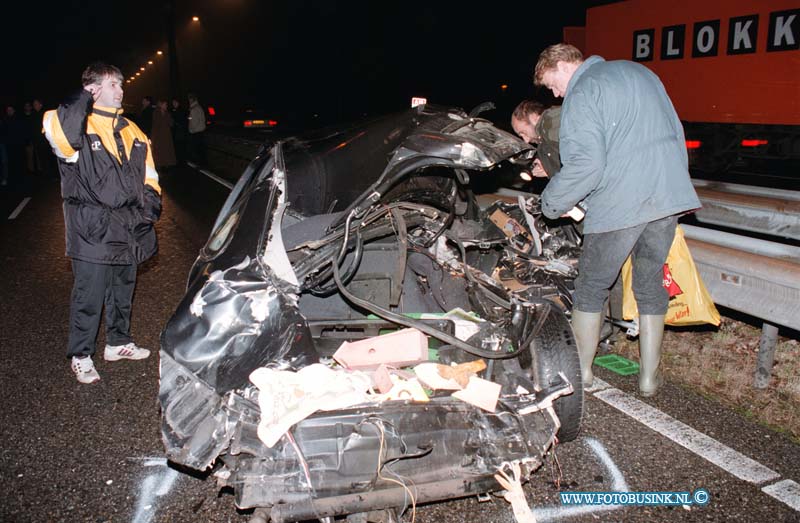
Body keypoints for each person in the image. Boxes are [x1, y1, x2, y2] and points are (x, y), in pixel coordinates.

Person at [533, 43, 700, 397]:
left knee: (592, 288)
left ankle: (583, 374)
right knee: (649, 285)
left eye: (552, 84)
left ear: (563, 65)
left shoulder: (583, 91)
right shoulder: (642, 72)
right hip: (666, 197)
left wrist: (551, 202)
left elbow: (586, 165)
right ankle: (649, 380)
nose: (556, 93)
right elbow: (675, 131)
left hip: (623, 204)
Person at [42, 61, 162, 384]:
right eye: (112, 84)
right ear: (93, 89)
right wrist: (82, 99)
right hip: (91, 229)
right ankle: (81, 355)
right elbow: (63, 137)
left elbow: (151, 177)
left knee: (123, 289)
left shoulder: (134, 130)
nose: (120, 90)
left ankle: (118, 342)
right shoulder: (73, 123)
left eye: (121, 84)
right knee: (89, 294)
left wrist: (147, 212)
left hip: (127, 228)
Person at [511, 99, 561, 177]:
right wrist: (548, 171)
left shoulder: (552, 120)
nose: (526, 140)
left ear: (533, 117)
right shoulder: (543, 145)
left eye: (523, 133)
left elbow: (580, 162)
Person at [151, 100, 176, 169]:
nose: (166, 106)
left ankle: (167, 163)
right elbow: (156, 123)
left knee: (166, 149)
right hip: (158, 135)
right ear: (161, 105)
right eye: (165, 105)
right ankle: (159, 163)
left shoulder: (167, 113)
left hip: (166, 134)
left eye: (166, 105)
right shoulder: (156, 112)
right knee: (159, 149)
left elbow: (171, 123)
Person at [186, 93, 206, 165]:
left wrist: (191, 130)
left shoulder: (193, 109)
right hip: (201, 130)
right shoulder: (199, 107)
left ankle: (199, 164)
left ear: (191, 100)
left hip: (196, 132)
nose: (188, 101)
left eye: (189, 99)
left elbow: (192, 120)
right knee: (201, 148)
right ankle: (203, 163)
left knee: (196, 149)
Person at [170, 98, 188, 165]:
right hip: (178, 132)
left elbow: (181, 121)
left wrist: (176, 124)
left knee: (180, 146)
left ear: (178, 103)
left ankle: (182, 161)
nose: (173, 104)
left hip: (180, 131)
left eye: (175, 102)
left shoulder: (180, 111)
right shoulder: (174, 110)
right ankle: (181, 160)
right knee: (179, 146)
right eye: (173, 103)